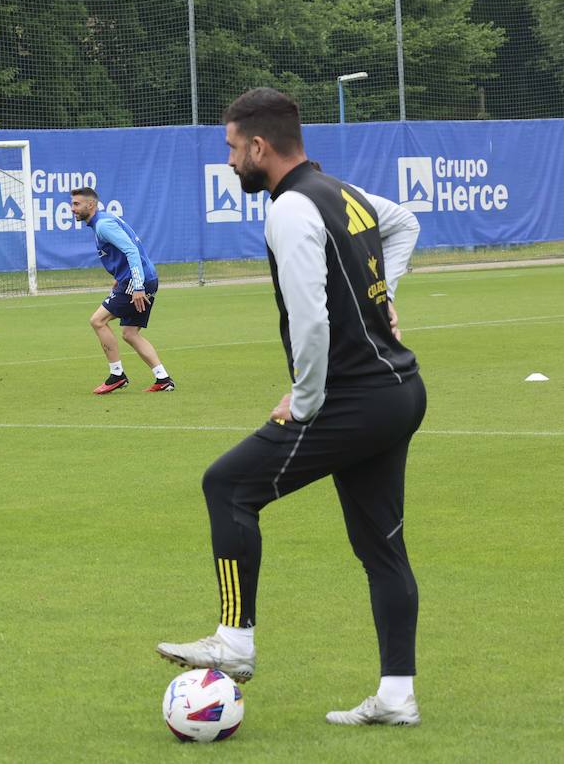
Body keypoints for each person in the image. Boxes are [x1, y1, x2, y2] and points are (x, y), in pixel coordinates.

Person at [156, 87, 425, 727]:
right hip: (399, 392)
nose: (228, 162)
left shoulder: (290, 209)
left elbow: (310, 323)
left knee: (226, 486)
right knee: (382, 547)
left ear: (258, 146)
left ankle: (235, 641)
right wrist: (388, 294)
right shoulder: (344, 192)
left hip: (353, 399)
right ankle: (396, 696)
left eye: (230, 149)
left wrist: (303, 403)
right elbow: (404, 222)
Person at [69, 187, 175, 394]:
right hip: (145, 278)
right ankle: (163, 378)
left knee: (97, 321)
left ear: (90, 205)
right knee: (130, 333)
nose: (72, 209)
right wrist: (121, 280)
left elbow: (131, 250)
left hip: (137, 282)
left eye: (76, 204)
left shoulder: (103, 225)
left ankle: (117, 375)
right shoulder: (105, 220)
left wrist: (137, 286)